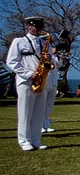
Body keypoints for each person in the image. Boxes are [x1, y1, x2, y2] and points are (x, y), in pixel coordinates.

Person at [6, 16, 58, 151]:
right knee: (25, 112)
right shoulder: (19, 41)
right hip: (25, 81)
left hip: (41, 81)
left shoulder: (43, 43)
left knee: (38, 113)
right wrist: (29, 74)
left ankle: (36, 139)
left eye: (40, 27)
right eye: (35, 26)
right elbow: (11, 62)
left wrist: (49, 58)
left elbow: (50, 63)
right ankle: (24, 140)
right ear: (29, 26)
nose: (38, 29)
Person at [42, 41, 63, 133]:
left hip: (53, 82)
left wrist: (58, 55)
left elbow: (60, 65)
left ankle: (46, 124)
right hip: (45, 82)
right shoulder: (42, 54)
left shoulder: (54, 56)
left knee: (49, 105)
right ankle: (40, 125)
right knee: (41, 105)